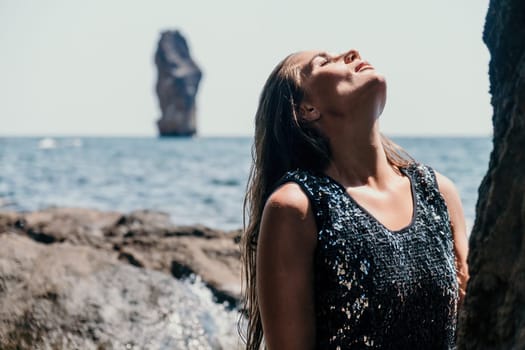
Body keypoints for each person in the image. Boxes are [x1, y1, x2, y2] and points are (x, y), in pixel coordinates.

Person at [241, 48, 469, 350]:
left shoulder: (438, 192)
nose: (351, 53)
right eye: (323, 62)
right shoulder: (297, 208)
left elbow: (473, 324)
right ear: (306, 110)